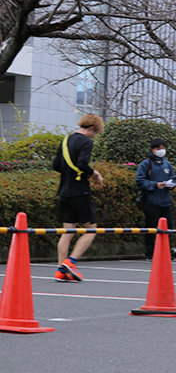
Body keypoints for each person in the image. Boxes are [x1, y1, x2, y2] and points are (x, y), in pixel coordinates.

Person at [52, 113, 104, 282]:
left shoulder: (66, 140)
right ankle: (71, 261)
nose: (94, 136)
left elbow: (56, 165)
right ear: (91, 129)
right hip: (80, 191)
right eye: (95, 133)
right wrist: (95, 173)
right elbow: (82, 164)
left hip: (64, 191)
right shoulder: (86, 142)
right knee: (91, 229)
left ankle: (61, 270)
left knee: (68, 231)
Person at [136, 139, 176, 260]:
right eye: (158, 148)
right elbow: (140, 181)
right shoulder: (146, 164)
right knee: (152, 228)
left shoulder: (167, 164)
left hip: (165, 201)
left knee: (168, 228)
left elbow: (173, 178)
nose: (161, 151)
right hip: (151, 202)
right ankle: (150, 253)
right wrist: (155, 185)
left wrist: (172, 184)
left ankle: (167, 252)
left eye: (163, 148)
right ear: (152, 150)